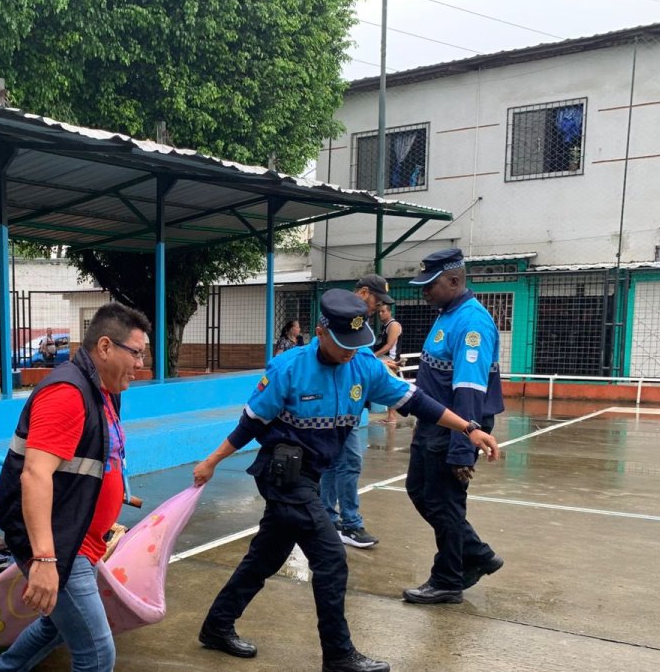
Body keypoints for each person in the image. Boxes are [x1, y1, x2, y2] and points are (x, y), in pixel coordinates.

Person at [192, 290, 500, 672]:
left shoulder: (364, 366)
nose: (349, 351)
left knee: (266, 556)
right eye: (342, 344)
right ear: (321, 332)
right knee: (332, 559)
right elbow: (250, 423)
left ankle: (217, 626)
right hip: (283, 476)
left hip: (312, 475)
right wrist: (212, 462)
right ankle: (338, 655)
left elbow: (417, 402)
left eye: (357, 344)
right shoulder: (287, 368)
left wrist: (468, 428)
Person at [0, 303, 150, 671]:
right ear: (106, 347)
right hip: (63, 545)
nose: (141, 365)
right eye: (137, 354)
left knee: (55, 627)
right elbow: (35, 474)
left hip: (80, 538)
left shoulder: (104, 391)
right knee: (96, 655)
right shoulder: (68, 392)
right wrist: (46, 560)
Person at [402, 248, 506, 605]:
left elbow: (469, 391)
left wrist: (463, 447)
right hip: (433, 424)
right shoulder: (447, 313)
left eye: (430, 284)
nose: (424, 292)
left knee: (446, 504)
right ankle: (477, 553)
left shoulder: (471, 323)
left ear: (454, 280)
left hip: (457, 427)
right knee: (419, 490)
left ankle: (447, 579)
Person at [319, 274, 395, 549]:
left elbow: (357, 357)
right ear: (363, 293)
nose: (378, 308)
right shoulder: (340, 321)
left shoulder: (358, 327)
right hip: (335, 407)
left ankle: (328, 519)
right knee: (348, 462)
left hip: (346, 406)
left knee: (333, 464)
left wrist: (379, 366)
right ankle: (350, 524)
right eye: (377, 300)